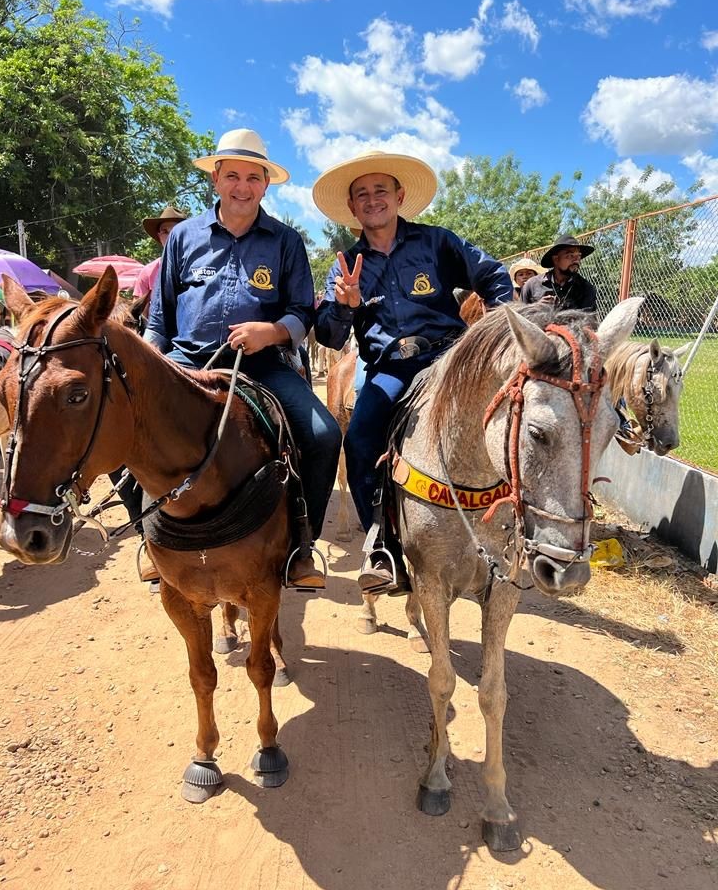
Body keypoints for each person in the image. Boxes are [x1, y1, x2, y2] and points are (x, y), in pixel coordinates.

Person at [144, 129, 342, 589]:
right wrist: (151, 367)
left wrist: (269, 332)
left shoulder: (286, 241)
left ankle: (301, 544)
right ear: (215, 179)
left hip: (262, 366)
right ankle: (149, 536)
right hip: (186, 363)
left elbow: (301, 313)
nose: (242, 186)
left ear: (266, 185)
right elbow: (159, 319)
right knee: (126, 426)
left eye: (253, 177)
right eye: (232, 175)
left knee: (323, 435)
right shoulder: (183, 237)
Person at [312, 150, 514, 594]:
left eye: (380, 190)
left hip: (448, 360)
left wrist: (503, 328)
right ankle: (381, 545)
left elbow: (493, 275)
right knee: (361, 439)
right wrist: (344, 307)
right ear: (352, 207)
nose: (372, 200)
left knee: (515, 418)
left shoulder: (437, 242)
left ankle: (525, 527)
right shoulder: (344, 267)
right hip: (390, 368)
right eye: (361, 194)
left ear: (399, 195)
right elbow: (327, 334)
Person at [520, 234, 596, 311]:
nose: (576, 260)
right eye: (570, 256)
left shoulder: (586, 288)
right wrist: (536, 307)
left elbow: (586, 320)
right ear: (555, 259)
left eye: (578, 256)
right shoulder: (531, 285)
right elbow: (521, 318)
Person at [133, 206, 187, 311]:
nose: (171, 236)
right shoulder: (148, 272)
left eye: (176, 231)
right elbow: (137, 314)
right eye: (165, 231)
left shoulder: (199, 268)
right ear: (159, 236)